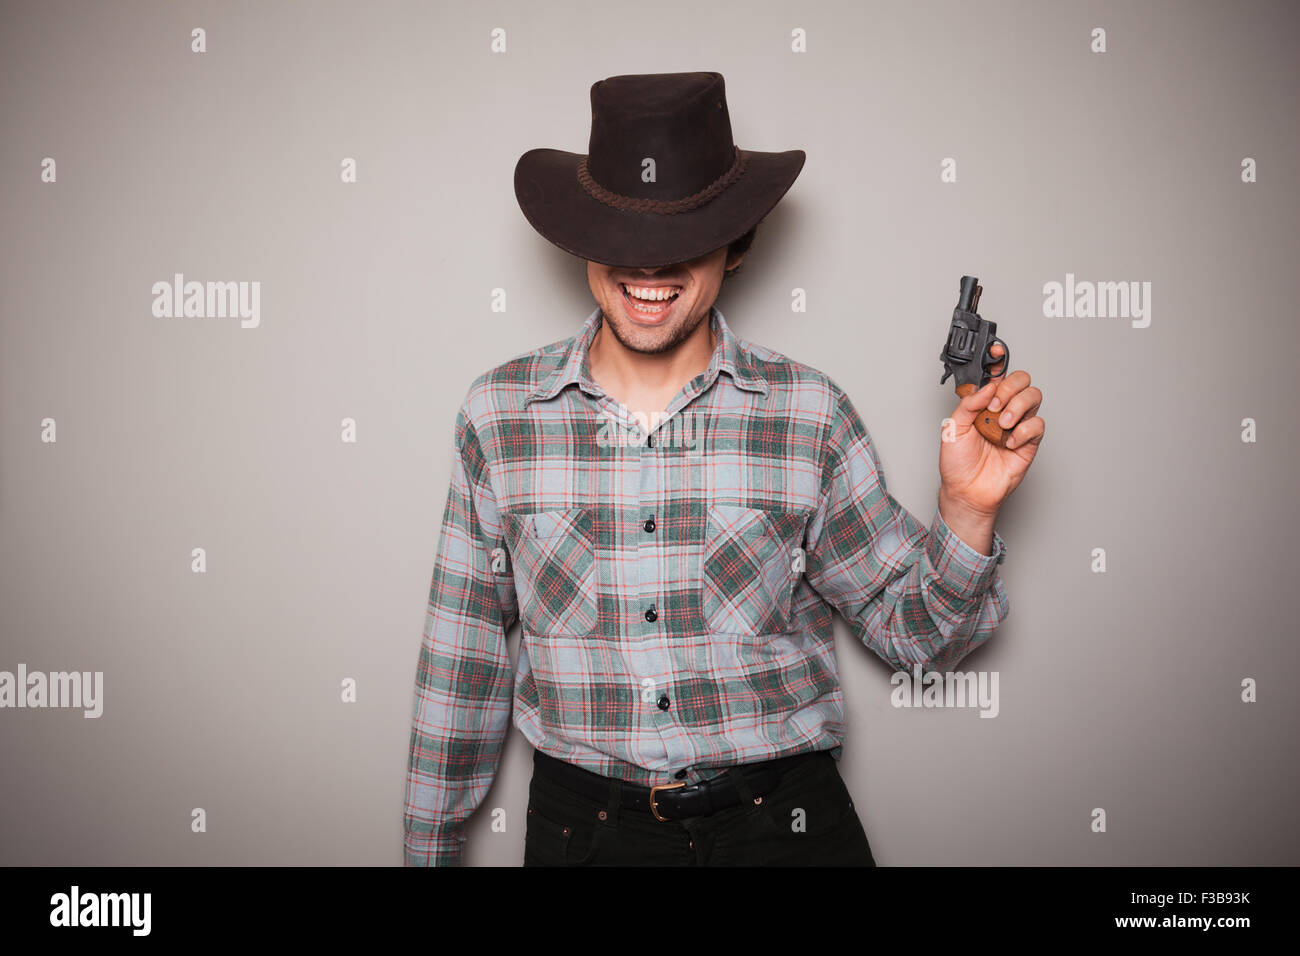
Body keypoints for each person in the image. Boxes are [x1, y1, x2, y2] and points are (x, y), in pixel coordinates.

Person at [403, 71, 1044, 866]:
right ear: (583, 235)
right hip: (588, 837)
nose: (650, 267)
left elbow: (921, 643)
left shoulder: (810, 414)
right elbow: (460, 659)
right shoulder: (499, 417)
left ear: (735, 243)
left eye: (683, 234)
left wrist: (967, 512)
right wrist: (427, 849)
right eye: (625, 234)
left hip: (784, 830)